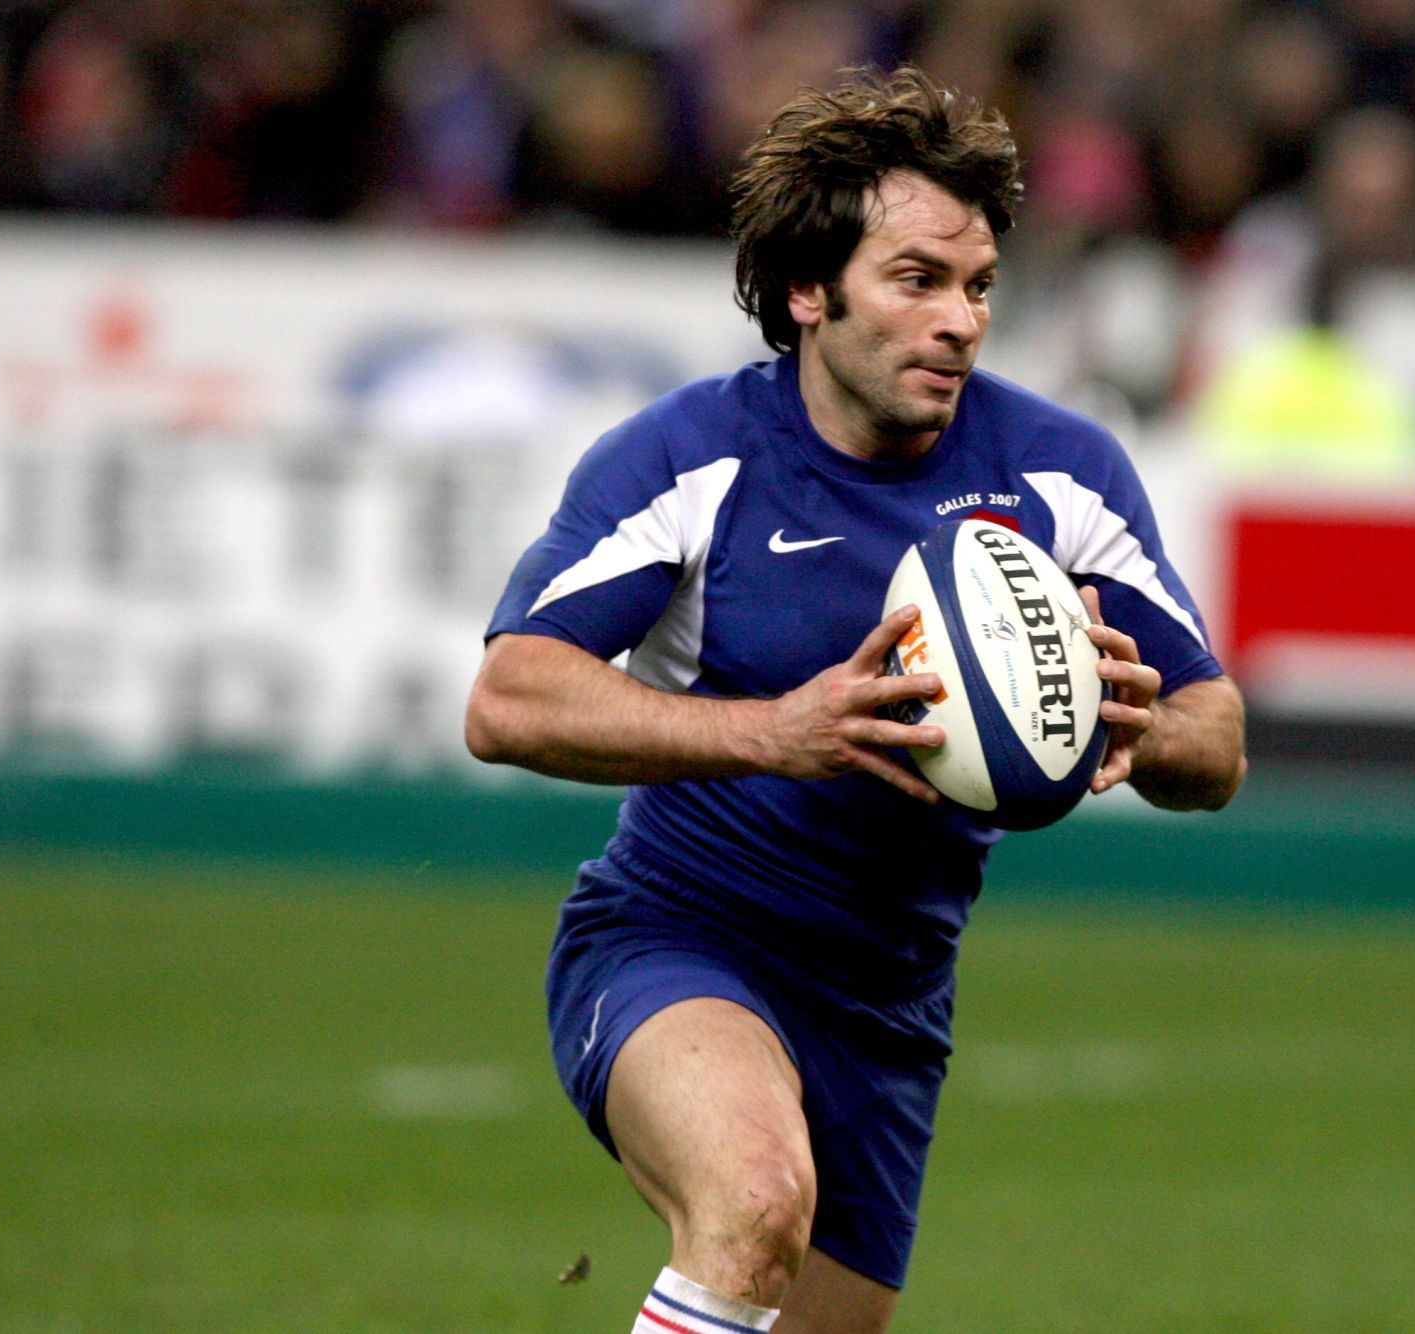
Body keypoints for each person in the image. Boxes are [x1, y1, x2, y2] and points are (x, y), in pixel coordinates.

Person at [465, 65, 1247, 1333]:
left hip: (890, 1003)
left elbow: (1218, 738)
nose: (960, 322)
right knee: (754, 1202)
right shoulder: (691, 456)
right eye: (917, 280)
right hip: (681, 935)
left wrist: (1141, 723)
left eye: (979, 285)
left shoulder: (1062, 474)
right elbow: (509, 697)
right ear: (807, 290)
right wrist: (771, 732)